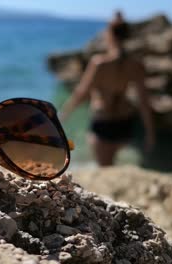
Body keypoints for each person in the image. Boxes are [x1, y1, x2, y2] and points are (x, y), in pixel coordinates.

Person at [60, 12, 155, 166]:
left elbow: (81, 93)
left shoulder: (99, 64)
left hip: (103, 120)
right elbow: (144, 101)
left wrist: (64, 113)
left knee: (105, 166)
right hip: (125, 122)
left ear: (109, 35)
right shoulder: (136, 65)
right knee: (116, 164)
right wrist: (150, 133)